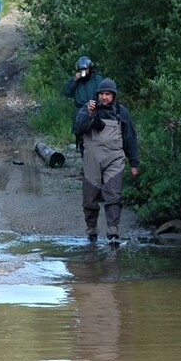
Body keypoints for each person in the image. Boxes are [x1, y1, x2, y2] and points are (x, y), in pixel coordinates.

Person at [72, 78, 139, 243]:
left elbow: (130, 138)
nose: (104, 97)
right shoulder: (88, 109)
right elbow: (77, 128)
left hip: (114, 159)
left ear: (113, 96)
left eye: (107, 94)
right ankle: (92, 231)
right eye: (101, 94)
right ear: (97, 95)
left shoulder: (121, 112)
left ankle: (113, 233)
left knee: (113, 196)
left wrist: (134, 163)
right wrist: (88, 114)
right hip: (91, 159)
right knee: (89, 199)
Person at [63, 56, 103, 155]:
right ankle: (85, 163)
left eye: (85, 69)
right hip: (80, 111)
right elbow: (67, 92)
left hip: (94, 109)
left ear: (90, 68)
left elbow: (103, 94)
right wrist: (74, 80)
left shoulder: (97, 79)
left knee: (96, 138)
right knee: (82, 139)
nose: (83, 71)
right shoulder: (76, 81)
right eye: (81, 70)